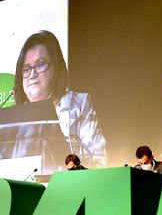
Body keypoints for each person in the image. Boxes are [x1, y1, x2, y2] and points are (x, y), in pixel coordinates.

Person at [13, 30, 107, 168]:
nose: (32, 74)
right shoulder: (15, 118)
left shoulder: (79, 104)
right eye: (26, 69)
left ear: (56, 66)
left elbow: (99, 160)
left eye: (40, 64)